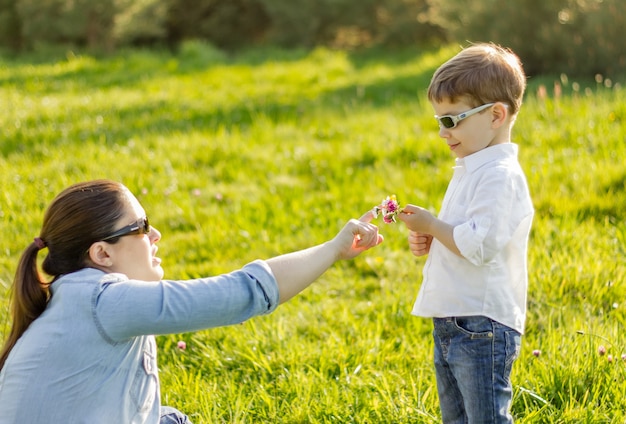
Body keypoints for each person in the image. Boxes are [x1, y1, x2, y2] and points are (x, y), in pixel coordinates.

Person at [0, 179, 383, 423]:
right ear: (102, 254)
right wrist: (333, 249)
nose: (157, 235)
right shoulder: (106, 301)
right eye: (141, 227)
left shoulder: (71, 298)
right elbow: (245, 293)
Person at [397, 43, 534, 423]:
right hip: (455, 318)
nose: (443, 132)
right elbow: (462, 232)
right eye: (439, 120)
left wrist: (433, 225)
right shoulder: (472, 167)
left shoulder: (499, 176)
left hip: (482, 325)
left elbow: (477, 246)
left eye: (451, 120)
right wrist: (428, 236)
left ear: (495, 115)